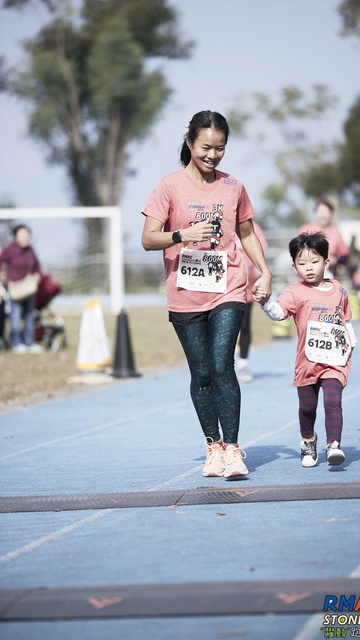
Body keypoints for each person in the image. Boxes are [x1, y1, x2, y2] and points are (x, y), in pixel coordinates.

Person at [141, 110, 272, 478]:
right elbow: (148, 238)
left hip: (228, 286)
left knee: (221, 364)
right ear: (189, 143)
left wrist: (264, 269)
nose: (213, 155)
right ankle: (212, 446)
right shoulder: (168, 187)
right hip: (185, 293)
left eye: (220, 148)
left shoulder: (234, 187)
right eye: (205, 148)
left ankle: (232, 449)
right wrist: (183, 235)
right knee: (201, 375)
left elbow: (245, 233)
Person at [259, 231, 357, 467]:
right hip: (307, 362)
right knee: (307, 407)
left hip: (335, 360)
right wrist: (264, 302)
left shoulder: (339, 291)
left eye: (314, 262)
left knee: (332, 400)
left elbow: (346, 320)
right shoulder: (295, 292)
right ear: (294, 267)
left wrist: (351, 343)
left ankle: (333, 444)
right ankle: (308, 440)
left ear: (326, 262)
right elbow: (279, 313)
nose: (309, 268)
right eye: (302, 263)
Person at [0, 224, 43, 354]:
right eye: (22, 234)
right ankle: (16, 343)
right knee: (15, 317)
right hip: (15, 289)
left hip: (28, 289)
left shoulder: (30, 250)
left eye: (27, 235)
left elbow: (37, 266)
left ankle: (29, 342)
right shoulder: (10, 249)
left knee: (29, 317)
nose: (25, 237)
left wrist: (37, 275)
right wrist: (4, 277)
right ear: (16, 236)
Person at [236, 220, 269, 383]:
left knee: (244, 326)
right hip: (223, 286)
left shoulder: (253, 226)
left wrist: (260, 269)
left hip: (247, 287)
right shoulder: (220, 221)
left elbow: (260, 249)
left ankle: (243, 364)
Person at [298, 199, 349, 277]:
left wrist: (335, 260)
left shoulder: (335, 232)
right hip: (307, 278)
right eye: (320, 212)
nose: (323, 215)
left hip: (329, 278)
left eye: (326, 212)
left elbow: (344, 255)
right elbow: (296, 252)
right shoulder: (304, 230)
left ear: (331, 214)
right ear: (315, 213)